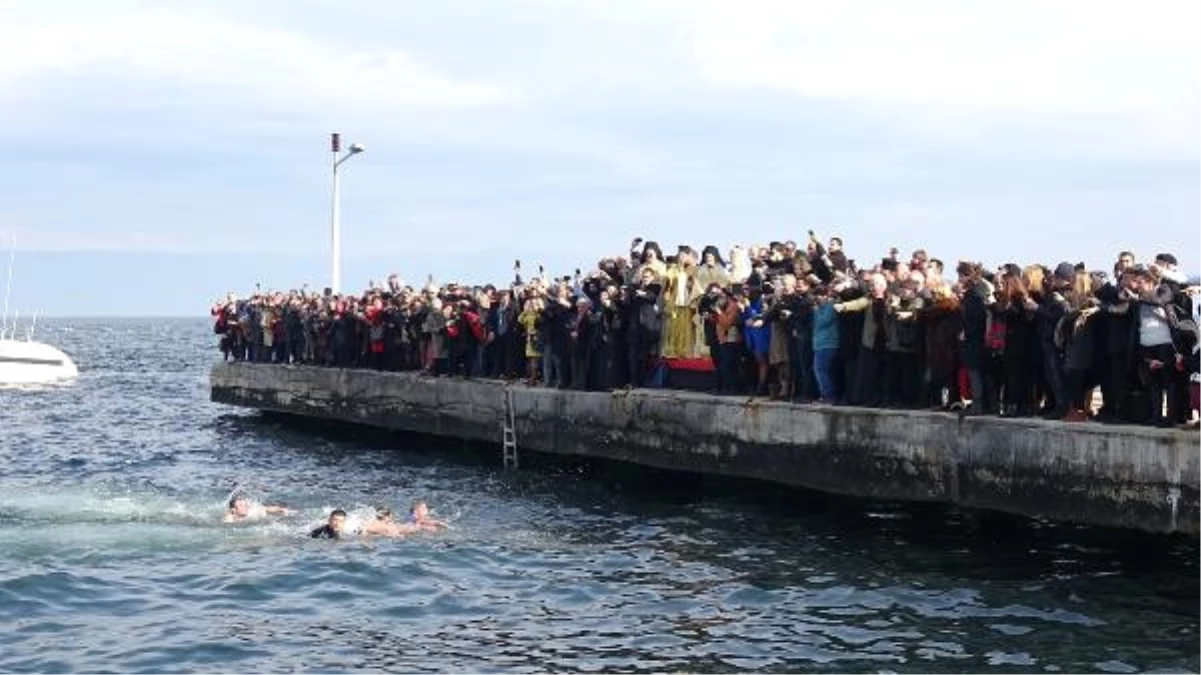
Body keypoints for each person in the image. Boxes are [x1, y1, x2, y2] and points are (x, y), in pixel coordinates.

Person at [222, 493, 294, 523]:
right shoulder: (229, 518)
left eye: (245, 505)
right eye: (241, 505)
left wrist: (281, 510)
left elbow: (266, 509)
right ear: (234, 510)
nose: (245, 507)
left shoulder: (252, 512)